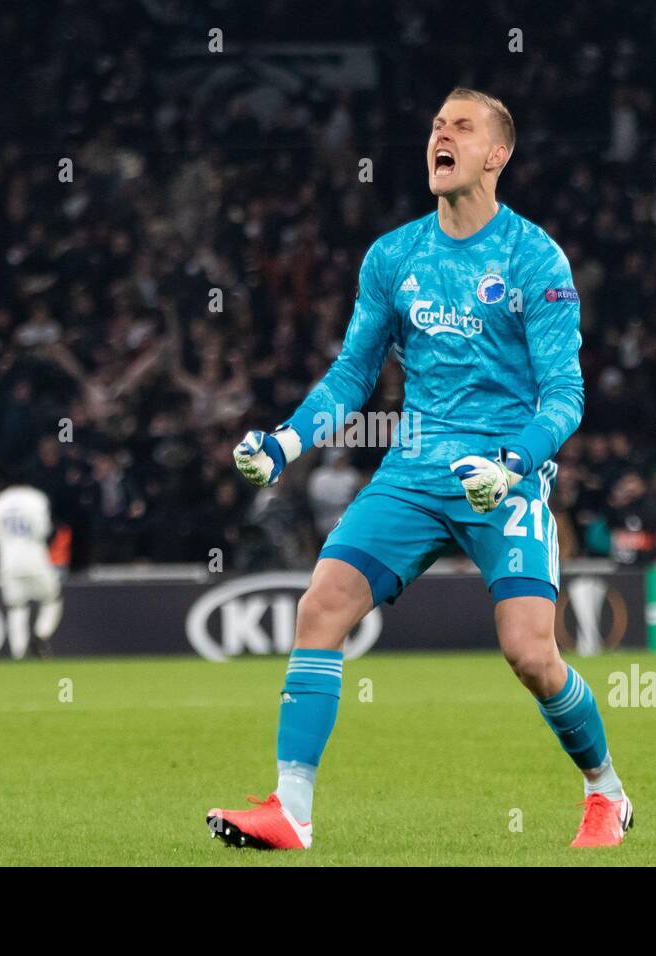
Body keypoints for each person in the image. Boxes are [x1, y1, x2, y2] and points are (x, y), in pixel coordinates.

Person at [209, 88, 631, 851]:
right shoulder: (393, 256)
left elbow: (566, 395)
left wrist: (512, 466)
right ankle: (291, 811)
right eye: (436, 124)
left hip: (502, 478)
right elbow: (349, 376)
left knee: (531, 654)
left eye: (461, 127)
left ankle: (605, 792)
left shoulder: (534, 257)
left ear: (496, 154)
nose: (441, 134)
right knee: (322, 604)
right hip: (411, 473)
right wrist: (282, 446)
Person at [0, 483, 63, 658]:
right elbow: (43, 530)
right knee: (52, 598)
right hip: (35, 559)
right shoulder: (36, 497)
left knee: (16, 607)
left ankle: (18, 652)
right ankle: (42, 634)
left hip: (8, 562)